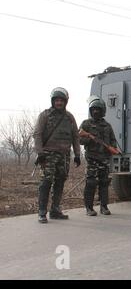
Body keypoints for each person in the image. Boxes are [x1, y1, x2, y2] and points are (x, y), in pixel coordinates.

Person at [33, 87, 81, 224]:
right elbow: (37, 134)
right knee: (46, 182)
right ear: (53, 101)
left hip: (64, 155)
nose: (59, 103)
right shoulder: (45, 115)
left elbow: (75, 137)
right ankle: (42, 212)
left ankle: (55, 210)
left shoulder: (69, 117)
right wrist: (40, 153)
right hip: (48, 154)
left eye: (61, 100)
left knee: (60, 181)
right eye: (57, 100)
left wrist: (77, 154)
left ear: (65, 102)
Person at [80, 97, 117, 216]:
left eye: (98, 109)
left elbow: (113, 140)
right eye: (94, 109)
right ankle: (89, 208)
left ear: (103, 111)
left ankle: (104, 206)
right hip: (92, 158)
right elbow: (79, 139)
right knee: (91, 182)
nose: (95, 111)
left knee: (104, 182)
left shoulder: (107, 126)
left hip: (104, 159)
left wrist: (112, 149)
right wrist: (89, 139)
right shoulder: (86, 124)